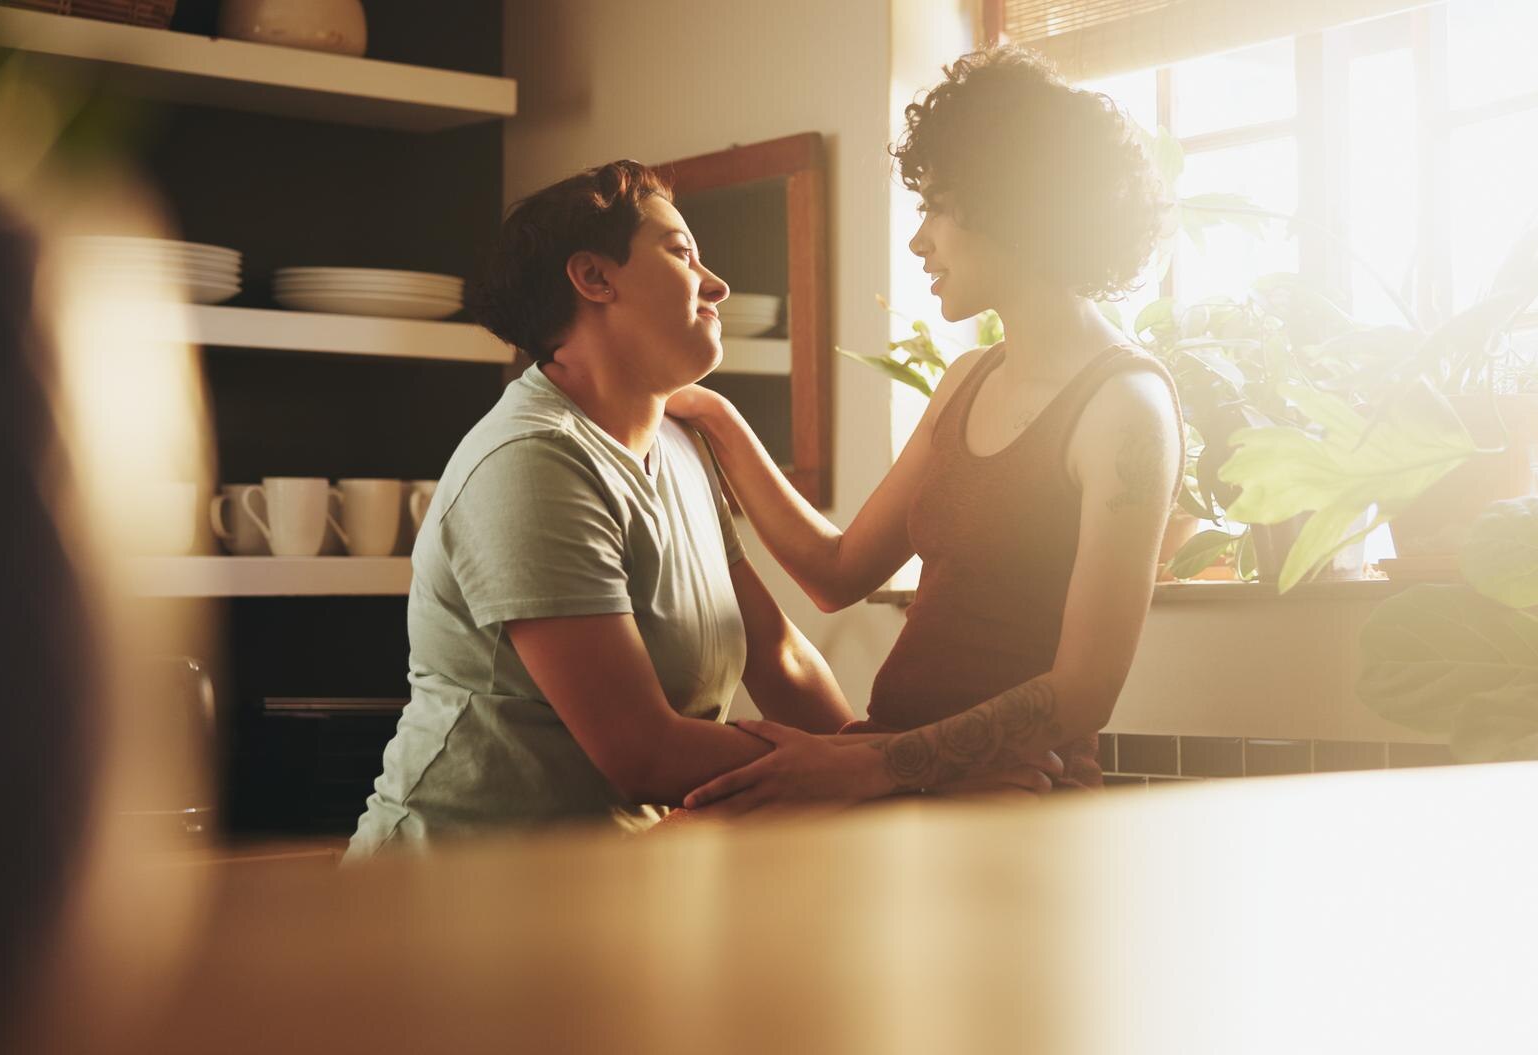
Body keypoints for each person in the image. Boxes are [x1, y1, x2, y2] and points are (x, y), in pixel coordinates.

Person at [666, 46, 1183, 812]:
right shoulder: (965, 380)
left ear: (1014, 203)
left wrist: (871, 765)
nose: (919, 240)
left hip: (1013, 799)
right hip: (900, 775)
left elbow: (1085, 690)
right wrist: (716, 415)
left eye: (938, 205)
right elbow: (837, 573)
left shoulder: (1125, 406)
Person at [346, 161, 860, 855]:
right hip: (458, 883)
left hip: (613, 876)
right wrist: (866, 766)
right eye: (681, 253)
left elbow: (778, 656)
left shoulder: (681, 445)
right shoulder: (532, 460)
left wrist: (889, 765)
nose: (716, 284)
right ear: (593, 277)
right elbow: (643, 752)